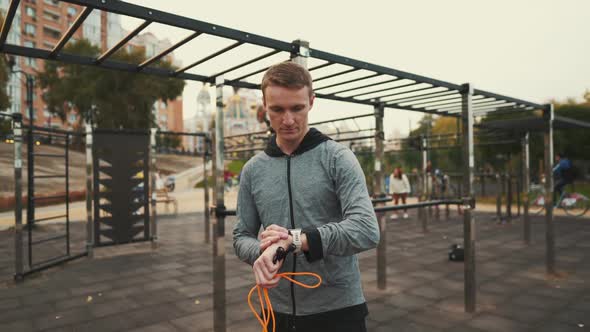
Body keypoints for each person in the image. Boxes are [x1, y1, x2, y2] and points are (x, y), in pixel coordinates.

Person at [233, 62, 380, 332]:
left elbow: (366, 229)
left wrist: (296, 240)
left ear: (311, 102)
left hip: (338, 308)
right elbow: (241, 235)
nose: (288, 120)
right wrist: (263, 253)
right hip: (276, 310)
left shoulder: (338, 158)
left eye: (297, 108)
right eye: (277, 109)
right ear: (264, 107)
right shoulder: (253, 170)